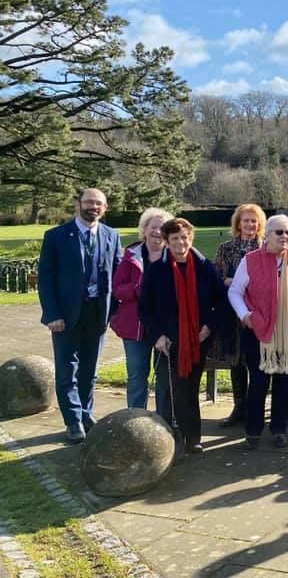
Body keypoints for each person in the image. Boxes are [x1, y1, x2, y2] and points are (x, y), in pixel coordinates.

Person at [38, 188, 122, 443]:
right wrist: (52, 314)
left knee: (90, 369)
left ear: (104, 208)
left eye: (98, 204)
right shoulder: (56, 236)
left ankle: (86, 413)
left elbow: (117, 275)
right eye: (88, 202)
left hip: (98, 313)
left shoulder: (111, 235)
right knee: (67, 369)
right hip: (65, 314)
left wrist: (115, 312)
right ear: (78, 204)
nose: (93, 207)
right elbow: (45, 279)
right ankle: (72, 420)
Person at [140, 218, 224, 454]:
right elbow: (145, 309)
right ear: (166, 241)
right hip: (170, 342)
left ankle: (193, 437)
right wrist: (157, 336)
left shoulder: (204, 267)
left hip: (198, 341)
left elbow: (221, 299)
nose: (181, 242)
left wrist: (210, 325)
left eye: (184, 237)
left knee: (190, 390)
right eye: (175, 238)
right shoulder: (157, 271)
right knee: (172, 391)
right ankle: (168, 439)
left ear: (191, 238)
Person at [228, 214, 288, 450]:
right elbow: (234, 291)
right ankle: (253, 431)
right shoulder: (251, 260)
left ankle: (279, 429)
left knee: (284, 383)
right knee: (259, 384)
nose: (284, 237)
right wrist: (245, 316)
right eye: (279, 232)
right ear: (268, 234)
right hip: (259, 331)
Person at [111, 207, 173, 410]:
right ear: (144, 230)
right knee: (137, 376)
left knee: (165, 378)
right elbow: (117, 289)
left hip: (165, 328)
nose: (157, 231)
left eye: (162, 227)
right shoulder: (131, 256)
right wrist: (137, 288)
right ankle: (136, 422)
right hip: (134, 327)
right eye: (153, 227)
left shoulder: (176, 255)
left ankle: (163, 422)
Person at [213, 203, 267, 427]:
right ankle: (239, 406)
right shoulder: (226, 248)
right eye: (246, 220)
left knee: (256, 361)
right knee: (236, 360)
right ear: (238, 223)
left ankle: (257, 407)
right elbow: (216, 276)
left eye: (254, 221)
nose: (250, 225)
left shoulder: (265, 247)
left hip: (259, 312)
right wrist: (232, 282)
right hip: (233, 313)